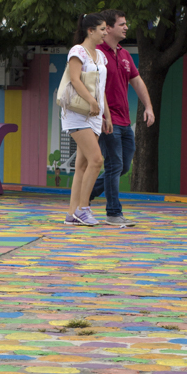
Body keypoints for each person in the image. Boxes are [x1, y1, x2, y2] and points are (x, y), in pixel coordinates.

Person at [88, 9, 155, 227]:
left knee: (123, 166)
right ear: (107, 28)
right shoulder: (96, 53)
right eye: (122, 24)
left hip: (125, 121)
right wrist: (103, 115)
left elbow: (137, 81)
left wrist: (149, 107)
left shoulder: (125, 55)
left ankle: (85, 193)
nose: (126, 27)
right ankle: (113, 213)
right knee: (114, 164)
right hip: (108, 120)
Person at [61, 13, 111, 226]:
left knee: (82, 165)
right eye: (102, 29)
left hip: (94, 115)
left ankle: (72, 213)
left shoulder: (101, 56)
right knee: (97, 160)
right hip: (78, 113)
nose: (105, 32)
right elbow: (74, 79)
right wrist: (91, 101)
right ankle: (83, 208)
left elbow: (101, 88)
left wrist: (106, 114)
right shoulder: (78, 51)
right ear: (90, 30)